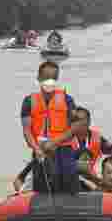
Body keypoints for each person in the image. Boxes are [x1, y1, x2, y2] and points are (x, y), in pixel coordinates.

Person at [20, 61, 79, 195]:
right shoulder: (28, 102)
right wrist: (36, 149)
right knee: (43, 187)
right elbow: (27, 130)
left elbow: (75, 126)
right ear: (39, 78)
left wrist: (55, 142)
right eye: (46, 77)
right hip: (41, 151)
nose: (50, 81)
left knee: (69, 185)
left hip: (64, 150)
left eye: (53, 78)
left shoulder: (67, 100)